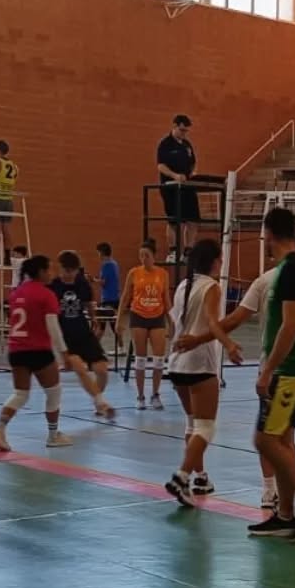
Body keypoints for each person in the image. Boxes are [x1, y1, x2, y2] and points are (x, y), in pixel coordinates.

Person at [246, 206, 295, 540]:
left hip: (291, 372)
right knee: (278, 439)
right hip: (294, 370)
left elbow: (291, 326)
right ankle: (283, 514)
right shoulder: (288, 268)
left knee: (264, 439)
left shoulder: (293, 269)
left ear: (269, 233)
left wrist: (267, 370)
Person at [164, 238, 243, 506]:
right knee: (206, 427)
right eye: (220, 259)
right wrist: (229, 344)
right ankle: (182, 475)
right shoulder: (211, 286)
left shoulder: (184, 285)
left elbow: (175, 318)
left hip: (176, 362)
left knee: (192, 425)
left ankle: (200, 477)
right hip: (199, 362)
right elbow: (213, 321)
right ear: (214, 261)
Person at [0, 254, 74, 451]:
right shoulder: (46, 295)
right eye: (49, 269)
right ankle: (53, 435)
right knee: (54, 391)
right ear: (41, 272)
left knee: (20, 393)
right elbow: (53, 327)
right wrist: (64, 354)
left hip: (16, 350)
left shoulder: (16, 293)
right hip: (38, 351)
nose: (52, 273)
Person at [50, 250, 115, 420]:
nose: (69, 275)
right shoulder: (54, 286)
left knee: (102, 370)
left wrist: (93, 318)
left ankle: (96, 399)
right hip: (65, 337)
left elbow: (87, 303)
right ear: (60, 268)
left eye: (72, 271)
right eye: (66, 271)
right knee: (79, 367)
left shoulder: (82, 284)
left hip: (83, 333)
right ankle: (101, 402)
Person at [116, 240, 170, 410]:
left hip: (157, 316)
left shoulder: (162, 274)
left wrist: (172, 321)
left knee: (159, 359)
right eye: (141, 255)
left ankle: (155, 394)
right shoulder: (134, 273)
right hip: (138, 316)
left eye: (146, 255)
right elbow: (125, 297)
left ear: (154, 256)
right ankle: (140, 396)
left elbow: (166, 299)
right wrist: (119, 320)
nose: (143, 258)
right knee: (140, 359)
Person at [156, 114, 198, 261]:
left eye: (186, 131)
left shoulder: (187, 145)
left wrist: (191, 173)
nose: (183, 133)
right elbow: (160, 166)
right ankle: (173, 251)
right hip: (171, 187)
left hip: (187, 187)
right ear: (174, 126)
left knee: (192, 220)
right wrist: (174, 175)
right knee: (173, 221)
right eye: (181, 130)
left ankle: (188, 251)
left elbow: (193, 162)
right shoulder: (165, 144)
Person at [95, 241, 121, 343]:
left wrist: (92, 280)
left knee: (101, 326)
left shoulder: (106, 265)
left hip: (107, 299)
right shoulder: (114, 263)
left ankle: (94, 348)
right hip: (115, 297)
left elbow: (103, 282)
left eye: (98, 253)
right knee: (113, 325)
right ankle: (121, 347)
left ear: (101, 252)